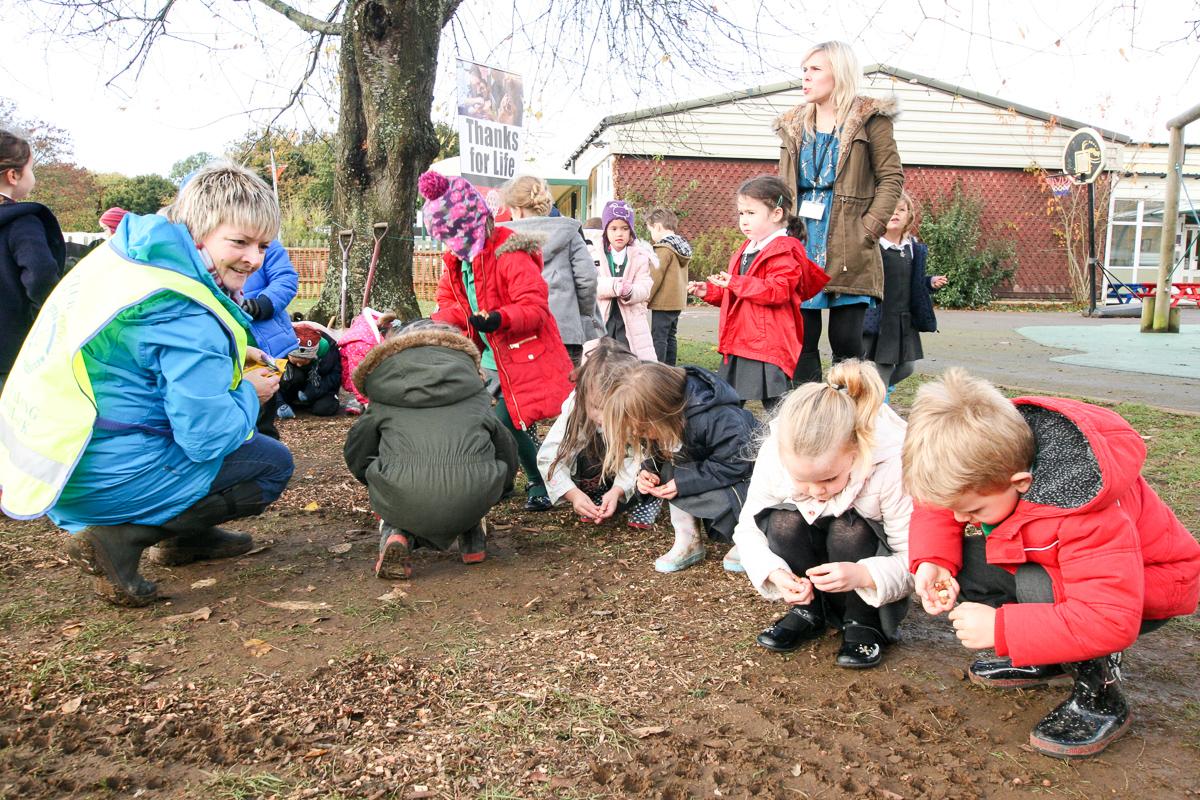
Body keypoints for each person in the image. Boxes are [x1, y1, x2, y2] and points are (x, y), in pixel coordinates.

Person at [0, 161, 294, 607]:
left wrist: (233, 356)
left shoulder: (130, 260)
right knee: (270, 463)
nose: (253, 258)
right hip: (106, 479)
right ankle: (122, 537)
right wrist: (247, 394)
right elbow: (206, 436)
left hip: (59, 465)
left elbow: (145, 354)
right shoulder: (186, 310)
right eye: (239, 242)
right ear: (199, 232)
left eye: (263, 245)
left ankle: (185, 538)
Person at [903, 369, 1200, 757]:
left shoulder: (1082, 508)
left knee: (1038, 587)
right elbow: (940, 502)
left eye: (972, 509)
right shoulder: (986, 454)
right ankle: (1050, 657)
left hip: (1146, 587)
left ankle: (1100, 697)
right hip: (1076, 576)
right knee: (969, 568)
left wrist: (1003, 629)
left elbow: (1108, 616)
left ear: (1021, 482)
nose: (960, 518)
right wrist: (933, 560)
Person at [733, 360, 913, 669]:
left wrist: (864, 575)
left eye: (829, 479)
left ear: (856, 451)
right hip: (817, 568)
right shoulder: (776, 451)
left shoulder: (892, 462)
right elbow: (748, 528)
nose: (816, 490)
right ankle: (809, 610)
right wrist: (774, 573)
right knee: (781, 520)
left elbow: (915, 555)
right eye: (802, 479)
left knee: (850, 527)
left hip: (867, 577)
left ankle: (863, 621)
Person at [423, 170, 574, 513]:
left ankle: (543, 482)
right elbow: (449, 303)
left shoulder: (509, 253)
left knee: (509, 421)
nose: (453, 244)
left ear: (476, 224)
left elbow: (534, 307)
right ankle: (505, 479)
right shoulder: (456, 263)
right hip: (491, 359)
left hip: (526, 355)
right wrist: (434, 324)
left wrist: (499, 318)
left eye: (457, 235)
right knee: (498, 423)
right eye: (447, 238)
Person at [345, 318, 518, 578]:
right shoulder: (473, 390)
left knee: (396, 495)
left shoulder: (385, 391)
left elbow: (358, 449)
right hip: (473, 491)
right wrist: (501, 485)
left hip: (403, 490)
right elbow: (505, 446)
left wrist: (372, 479)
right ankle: (472, 538)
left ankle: (396, 533)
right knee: (473, 478)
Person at [774, 40, 904, 384]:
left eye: (815, 70)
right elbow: (783, 186)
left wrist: (870, 228)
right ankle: (811, 420)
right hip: (800, 241)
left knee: (846, 344)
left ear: (839, 73)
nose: (805, 78)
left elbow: (892, 178)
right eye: (804, 70)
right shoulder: (792, 125)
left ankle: (851, 422)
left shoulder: (870, 120)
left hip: (850, 240)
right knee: (801, 343)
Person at [688, 176, 829, 411]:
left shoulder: (785, 251)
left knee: (777, 408)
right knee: (728, 404)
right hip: (740, 339)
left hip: (768, 343)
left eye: (751, 213)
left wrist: (735, 283)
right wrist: (709, 291)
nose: (744, 220)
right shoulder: (746, 248)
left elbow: (778, 291)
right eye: (741, 213)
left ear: (776, 214)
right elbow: (737, 296)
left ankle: (790, 445)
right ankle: (733, 445)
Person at [602, 362, 758, 573]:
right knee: (670, 471)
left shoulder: (719, 417)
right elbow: (662, 452)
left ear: (661, 410)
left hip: (744, 485)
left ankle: (749, 539)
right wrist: (648, 472)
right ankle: (687, 539)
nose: (642, 436)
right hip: (708, 476)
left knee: (686, 476)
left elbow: (737, 464)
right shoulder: (666, 420)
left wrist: (684, 482)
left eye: (644, 430)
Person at [537, 338, 661, 529]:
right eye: (596, 407)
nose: (602, 417)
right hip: (606, 463)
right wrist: (573, 494)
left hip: (637, 469)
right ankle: (597, 490)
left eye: (611, 410)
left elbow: (636, 457)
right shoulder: (575, 407)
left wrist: (619, 490)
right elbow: (550, 455)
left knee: (651, 458)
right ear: (583, 393)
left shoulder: (637, 408)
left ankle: (646, 500)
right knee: (587, 447)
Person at [499, 175, 603, 365]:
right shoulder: (569, 233)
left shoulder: (500, 240)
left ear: (517, 210)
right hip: (565, 330)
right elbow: (587, 278)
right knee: (568, 391)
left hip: (518, 331)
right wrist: (581, 314)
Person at [862, 191, 946, 396]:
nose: (895, 213)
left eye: (901, 209)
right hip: (880, 317)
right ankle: (876, 411)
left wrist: (930, 282)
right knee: (882, 368)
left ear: (909, 216)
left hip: (904, 319)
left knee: (907, 367)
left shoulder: (913, 248)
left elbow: (914, 282)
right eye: (890, 209)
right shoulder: (874, 247)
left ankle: (875, 393)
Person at [0, 129, 65, 392]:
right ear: (13, 175)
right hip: (10, 353)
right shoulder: (22, 223)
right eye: (32, 169)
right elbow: (40, 278)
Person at [242, 240, 300, 434]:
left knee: (264, 410)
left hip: (268, 344)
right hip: (229, 345)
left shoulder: (267, 244)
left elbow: (285, 279)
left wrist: (263, 304)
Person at [593, 200, 657, 361]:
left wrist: (631, 291)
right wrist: (613, 286)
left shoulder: (640, 256)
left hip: (630, 320)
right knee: (601, 360)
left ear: (631, 231)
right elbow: (590, 284)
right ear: (606, 230)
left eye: (624, 228)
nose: (619, 234)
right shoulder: (594, 254)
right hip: (602, 318)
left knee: (630, 361)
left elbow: (645, 286)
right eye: (613, 229)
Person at [646, 207, 692, 365]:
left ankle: (659, 369)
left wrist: (645, 297)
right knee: (670, 336)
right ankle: (670, 368)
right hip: (677, 300)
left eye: (651, 230)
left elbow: (655, 276)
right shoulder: (681, 246)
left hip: (663, 302)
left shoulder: (664, 249)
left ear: (657, 226)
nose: (652, 236)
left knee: (659, 337)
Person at [277, 322, 342, 419]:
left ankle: (307, 402)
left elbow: (334, 377)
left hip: (318, 386)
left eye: (304, 361)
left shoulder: (329, 350)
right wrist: (279, 404)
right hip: (292, 382)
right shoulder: (279, 348)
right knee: (295, 375)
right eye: (295, 362)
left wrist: (310, 393)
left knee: (325, 408)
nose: (299, 365)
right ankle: (290, 401)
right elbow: (270, 377)